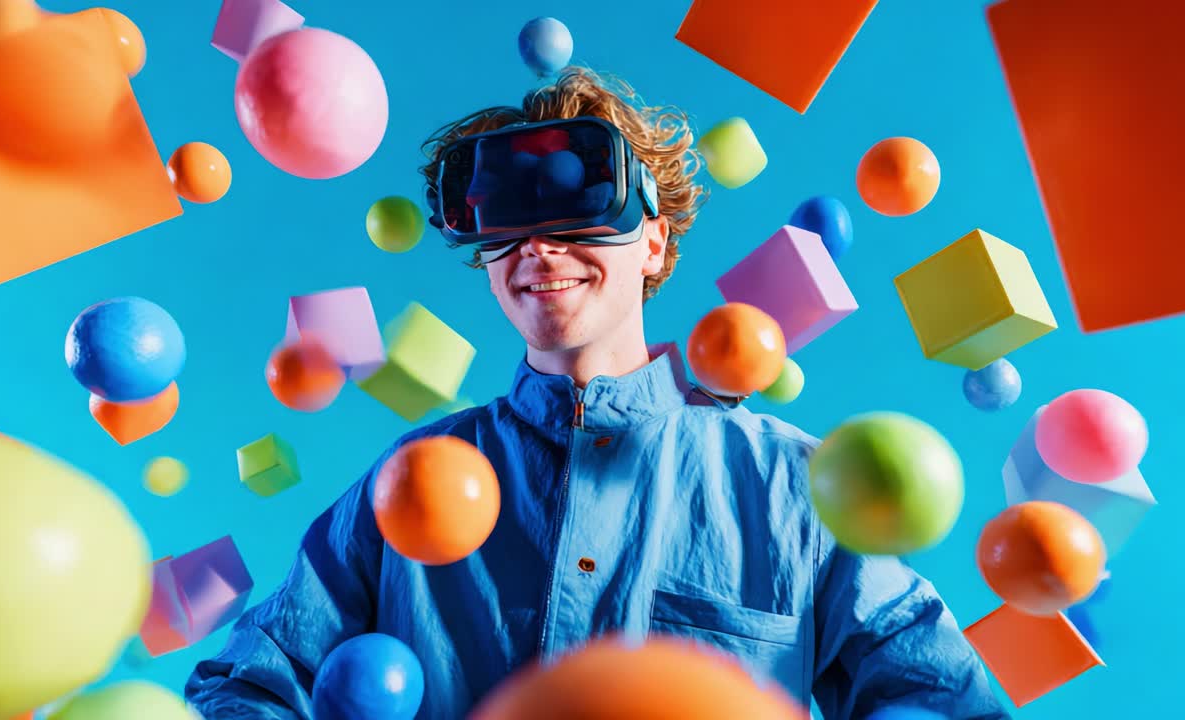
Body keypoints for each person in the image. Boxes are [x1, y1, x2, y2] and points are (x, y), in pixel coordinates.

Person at [186, 68, 1009, 720]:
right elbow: (247, 686)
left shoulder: (797, 487)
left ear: (653, 239)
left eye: (580, 201)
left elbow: (943, 701)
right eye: (505, 213)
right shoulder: (411, 477)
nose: (537, 246)